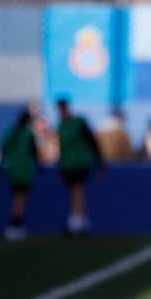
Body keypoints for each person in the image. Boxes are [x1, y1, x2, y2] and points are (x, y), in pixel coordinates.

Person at [56, 97, 104, 234]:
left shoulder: (79, 122)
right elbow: (62, 147)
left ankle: (75, 221)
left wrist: (99, 160)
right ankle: (82, 221)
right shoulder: (61, 125)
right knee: (74, 191)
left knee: (77, 189)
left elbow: (92, 141)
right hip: (67, 164)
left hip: (80, 162)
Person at [0, 108, 39, 240]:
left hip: (13, 170)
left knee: (18, 197)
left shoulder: (10, 132)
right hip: (24, 171)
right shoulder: (27, 134)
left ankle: (16, 223)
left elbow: (4, 150)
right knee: (20, 197)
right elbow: (34, 153)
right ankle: (16, 224)